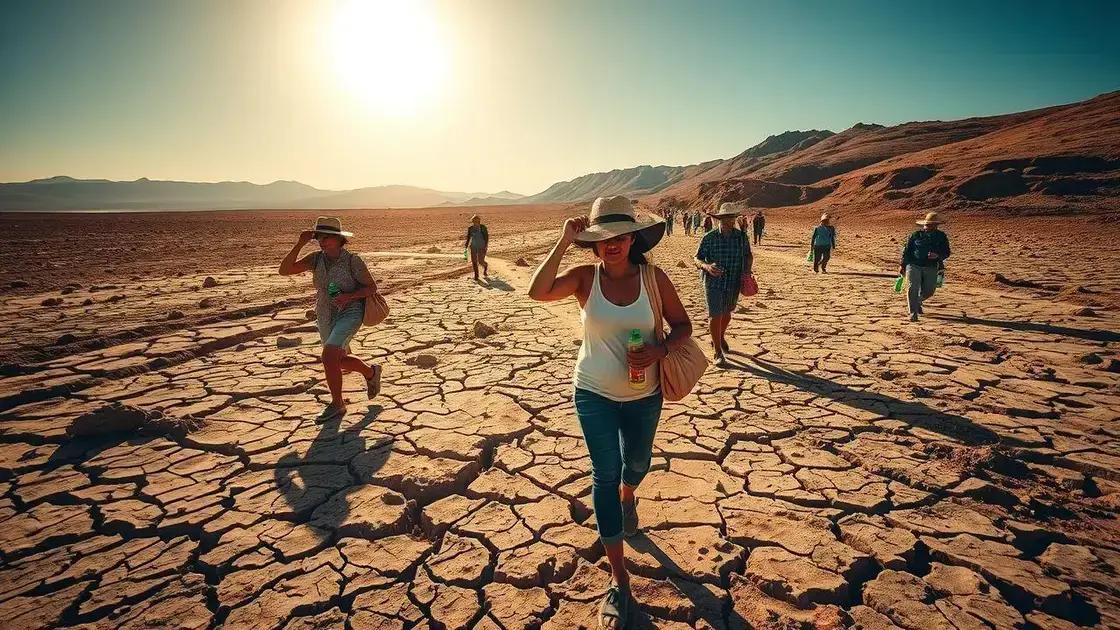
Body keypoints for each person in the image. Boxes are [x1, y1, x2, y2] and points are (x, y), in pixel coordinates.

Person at [527, 196, 692, 629]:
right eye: (602, 238)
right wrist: (563, 242)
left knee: (636, 463)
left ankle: (630, 494)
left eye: (620, 236)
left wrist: (659, 349)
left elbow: (684, 326)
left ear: (633, 238)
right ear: (594, 244)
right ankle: (619, 579)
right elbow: (537, 291)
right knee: (604, 472)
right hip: (593, 392)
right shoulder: (584, 279)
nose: (612, 244)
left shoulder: (655, 279)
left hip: (645, 394)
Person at [278, 217, 382, 420]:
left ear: (338, 239)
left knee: (328, 356)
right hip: (325, 313)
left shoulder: (353, 261)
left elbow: (372, 288)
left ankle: (337, 404)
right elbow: (285, 270)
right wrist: (300, 243)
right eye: (318, 237)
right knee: (337, 359)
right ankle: (371, 372)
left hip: (351, 311)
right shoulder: (315, 259)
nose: (322, 241)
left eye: (327, 237)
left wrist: (348, 297)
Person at [695, 202, 753, 367]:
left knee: (727, 314)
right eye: (727, 217)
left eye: (732, 217)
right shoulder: (709, 237)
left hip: (733, 280)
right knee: (715, 315)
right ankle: (717, 352)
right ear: (720, 219)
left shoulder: (741, 237)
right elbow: (697, 258)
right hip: (713, 281)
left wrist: (747, 271)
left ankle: (719, 338)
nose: (731, 220)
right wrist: (707, 266)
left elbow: (748, 255)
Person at [900, 211, 950, 322]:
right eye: (926, 224)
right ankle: (913, 312)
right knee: (912, 287)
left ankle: (917, 301)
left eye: (930, 224)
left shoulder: (941, 237)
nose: (927, 226)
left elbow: (946, 252)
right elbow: (906, 250)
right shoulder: (915, 235)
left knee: (929, 291)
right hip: (913, 265)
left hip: (931, 266)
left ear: (936, 226)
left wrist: (937, 256)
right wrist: (902, 264)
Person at [465, 215, 489, 281]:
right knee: (474, 261)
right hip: (473, 246)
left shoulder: (483, 227)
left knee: (481, 261)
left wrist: (486, 246)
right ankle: (476, 276)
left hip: (481, 246)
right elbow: (468, 237)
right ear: (472, 221)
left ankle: (485, 267)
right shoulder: (470, 228)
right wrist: (466, 245)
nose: (475, 222)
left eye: (477, 221)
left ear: (479, 221)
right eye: (474, 221)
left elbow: (486, 237)